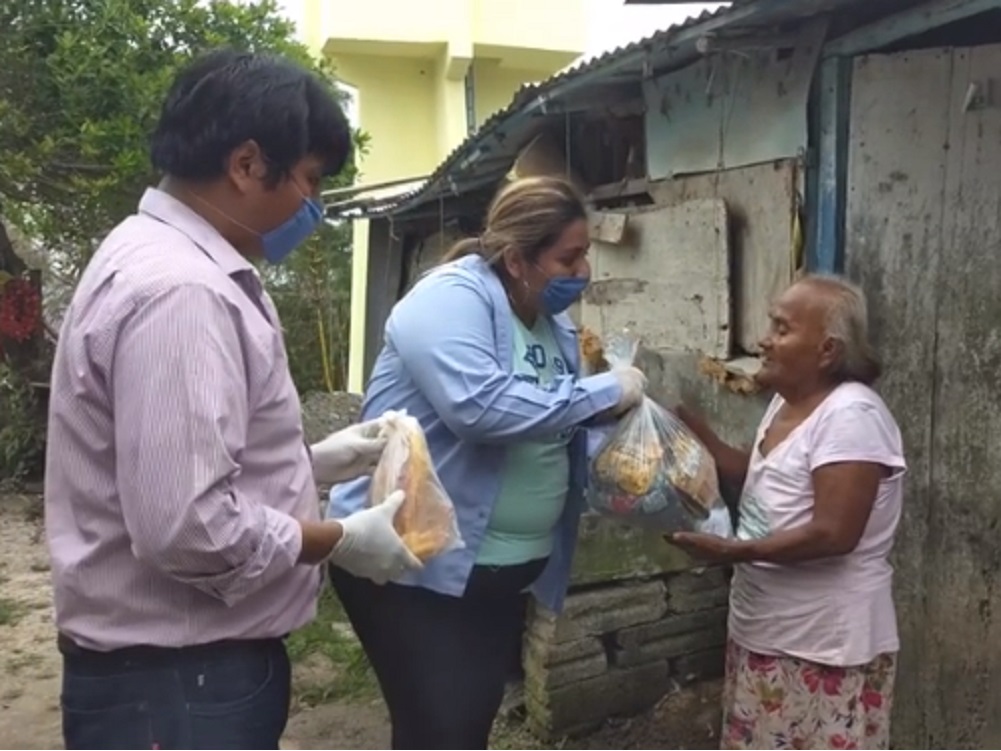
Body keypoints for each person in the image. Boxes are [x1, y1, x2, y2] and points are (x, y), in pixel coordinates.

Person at [44, 49, 420, 751]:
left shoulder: (153, 252)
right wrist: (338, 539)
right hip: (179, 680)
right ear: (247, 163)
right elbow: (187, 526)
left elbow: (175, 470)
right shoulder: (184, 293)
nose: (312, 206)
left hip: (173, 676)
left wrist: (311, 465)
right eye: (308, 180)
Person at [327, 175, 648, 749]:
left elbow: (552, 419)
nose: (583, 270)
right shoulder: (449, 298)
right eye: (569, 257)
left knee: (460, 728)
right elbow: (481, 408)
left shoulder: (553, 325)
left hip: (498, 574)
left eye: (585, 254)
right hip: (414, 565)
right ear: (517, 259)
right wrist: (606, 392)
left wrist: (627, 441)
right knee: (441, 732)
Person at [669, 274, 905, 750]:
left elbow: (834, 533)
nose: (764, 339)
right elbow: (760, 475)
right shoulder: (786, 401)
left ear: (827, 351)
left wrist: (736, 551)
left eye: (781, 328)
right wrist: (694, 435)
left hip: (820, 643)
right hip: (766, 627)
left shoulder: (851, 417)